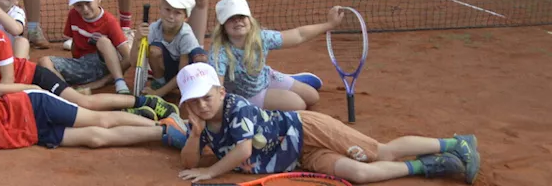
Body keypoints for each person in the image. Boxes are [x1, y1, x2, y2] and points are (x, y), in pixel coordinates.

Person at [176, 62, 481, 184]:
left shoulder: (236, 108)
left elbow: (242, 152)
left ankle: (456, 143)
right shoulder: (198, 119)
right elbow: (188, 159)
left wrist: (210, 172)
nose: (202, 105)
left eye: (207, 97)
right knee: (359, 174)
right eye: (194, 100)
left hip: (307, 129)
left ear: (221, 91)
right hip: (299, 157)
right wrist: (195, 136)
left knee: (380, 152)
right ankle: (434, 165)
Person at [0, 0, 174, 119]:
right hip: (14, 93)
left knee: (83, 103)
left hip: (32, 79)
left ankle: (145, 102)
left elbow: (8, 82)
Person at [0, 66, 187, 153]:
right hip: (29, 135)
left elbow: (0, 90)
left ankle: (163, 122)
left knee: (99, 120)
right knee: (95, 138)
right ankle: (161, 133)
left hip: (32, 106)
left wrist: (35, 90)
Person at [209, 0, 332, 110]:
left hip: (266, 77)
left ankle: (291, 79)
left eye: (241, 16)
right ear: (223, 26)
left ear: (249, 20)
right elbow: (216, 88)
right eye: (231, 18)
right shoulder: (219, 53)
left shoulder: (261, 37)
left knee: (313, 96)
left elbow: (299, 35)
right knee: (299, 104)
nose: (237, 21)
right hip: (247, 95)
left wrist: (329, 24)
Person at [37, 0, 133, 95]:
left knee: (103, 42)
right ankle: (69, 92)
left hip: (106, 68)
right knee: (44, 62)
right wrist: (74, 66)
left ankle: (119, 82)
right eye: (78, 5)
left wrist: (105, 80)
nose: (85, 9)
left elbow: (128, 58)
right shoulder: (73, 15)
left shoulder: (109, 21)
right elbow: (74, 44)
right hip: (82, 66)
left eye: (88, 3)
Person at [138, 0, 207, 98]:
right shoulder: (153, 28)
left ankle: (189, 88)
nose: (171, 16)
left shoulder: (186, 35)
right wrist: (137, 39)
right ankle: (160, 82)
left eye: (177, 13)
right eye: (167, 9)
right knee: (154, 50)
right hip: (168, 69)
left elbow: (183, 71)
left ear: (186, 17)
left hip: (185, 71)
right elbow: (134, 61)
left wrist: (158, 94)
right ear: (160, 8)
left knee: (201, 58)